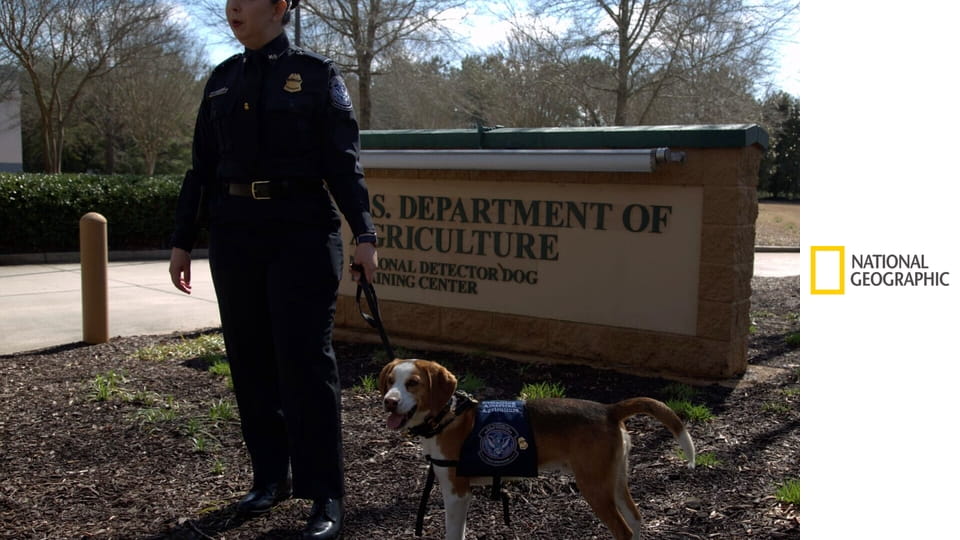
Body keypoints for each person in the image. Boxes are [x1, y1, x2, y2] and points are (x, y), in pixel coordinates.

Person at [168, 0, 377, 538]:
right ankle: (270, 479)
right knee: (250, 359)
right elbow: (201, 167)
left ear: (280, 7)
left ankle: (325, 493)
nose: (231, 8)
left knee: (305, 364)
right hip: (234, 234)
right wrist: (182, 240)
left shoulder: (316, 75)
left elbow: (343, 161)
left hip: (302, 233)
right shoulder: (222, 79)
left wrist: (365, 234)